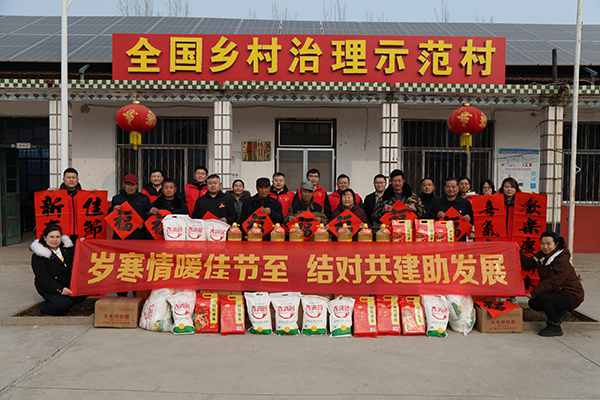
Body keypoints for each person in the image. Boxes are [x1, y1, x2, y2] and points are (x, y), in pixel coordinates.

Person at [521, 232, 585, 337]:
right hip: (558, 293)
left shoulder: (561, 261)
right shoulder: (542, 255)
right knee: (534, 303)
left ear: (556, 244)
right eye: (542, 243)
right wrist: (517, 250)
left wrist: (534, 292)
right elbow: (528, 263)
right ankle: (562, 312)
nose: (545, 247)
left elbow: (551, 282)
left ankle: (554, 325)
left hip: (572, 296)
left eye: (548, 244)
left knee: (544, 297)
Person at [30, 224, 87, 315]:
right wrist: (60, 289)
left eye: (57, 237)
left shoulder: (67, 248)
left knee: (83, 291)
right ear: (45, 238)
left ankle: (65, 308)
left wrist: (83, 244)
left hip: (66, 282)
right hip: (49, 286)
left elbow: (80, 251)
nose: (54, 240)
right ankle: (45, 309)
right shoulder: (38, 255)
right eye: (51, 237)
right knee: (63, 302)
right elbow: (42, 277)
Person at [47, 167, 96, 242]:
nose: (71, 180)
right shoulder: (56, 196)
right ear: (63, 179)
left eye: (73, 177)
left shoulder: (84, 195)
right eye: (68, 177)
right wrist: (49, 194)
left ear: (77, 179)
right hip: (61, 233)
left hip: (81, 233)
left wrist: (94, 194)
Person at [108, 174, 151, 240]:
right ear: (123, 184)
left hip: (138, 236)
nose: (130, 187)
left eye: (133, 185)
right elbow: (109, 215)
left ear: (137, 185)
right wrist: (114, 209)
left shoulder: (144, 199)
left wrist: (144, 225)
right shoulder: (117, 198)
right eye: (128, 184)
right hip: (120, 237)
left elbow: (149, 216)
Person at [498, 177, 522, 241]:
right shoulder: (496, 203)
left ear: (516, 189)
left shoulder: (521, 204)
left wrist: (533, 197)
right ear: (502, 188)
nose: (509, 189)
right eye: (506, 187)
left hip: (516, 239)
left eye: (512, 187)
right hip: (499, 239)